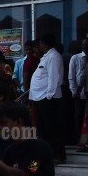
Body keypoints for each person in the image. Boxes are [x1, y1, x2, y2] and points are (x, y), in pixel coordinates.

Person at [29, 32, 66, 163]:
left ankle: (57, 155)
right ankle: (46, 155)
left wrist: (49, 96)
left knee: (52, 128)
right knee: (43, 129)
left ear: (43, 44)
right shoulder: (46, 56)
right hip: (40, 98)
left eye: (39, 43)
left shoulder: (54, 56)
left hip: (48, 98)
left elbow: (54, 78)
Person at [67, 38, 88, 146]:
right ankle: (79, 139)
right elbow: (71, 77)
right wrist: (74, 91)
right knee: (79, 117)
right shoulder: (75, 58)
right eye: (84, 44)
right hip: (80, 94)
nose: (86, 46)